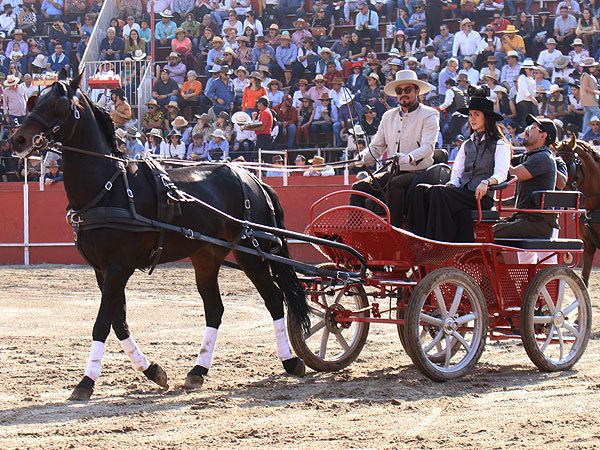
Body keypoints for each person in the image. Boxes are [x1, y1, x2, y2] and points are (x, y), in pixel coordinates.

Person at [406, 94, 511, 242]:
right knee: (420, 190)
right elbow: (456, 174)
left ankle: (438, 242)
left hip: (481, 198)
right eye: (470, 115)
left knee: (438, 192)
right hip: (464, 193)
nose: (472, 118)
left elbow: (501, 173)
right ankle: (416, 239)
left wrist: (487, 182)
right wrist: (451, 185)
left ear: (487, 118)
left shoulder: (500, 144)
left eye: (476, 114)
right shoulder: (467, 144)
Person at [351, 70, 440, 227]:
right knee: (358, 187)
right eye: (399, 91)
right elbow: (377, 146)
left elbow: (428, 147)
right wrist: (362, 157)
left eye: (407, 90)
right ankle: (356, 231)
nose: (403, 94)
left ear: (417, 91)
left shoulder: (429, 114)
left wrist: (409, 157)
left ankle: (395, 230)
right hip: (393, 172)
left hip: (418, 172)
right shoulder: (388, 116)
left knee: (396, 184)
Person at [493, 115, 558, 239]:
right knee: (485, 228)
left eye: (532, 128)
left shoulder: (542, 157)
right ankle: (497, 259)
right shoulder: (528, 156)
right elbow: (507, 158)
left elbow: (513, 173)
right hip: (524, 219)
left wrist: (500, 141)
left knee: (488, 233)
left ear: (543, 136)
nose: (526, 130)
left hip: (536, 224)